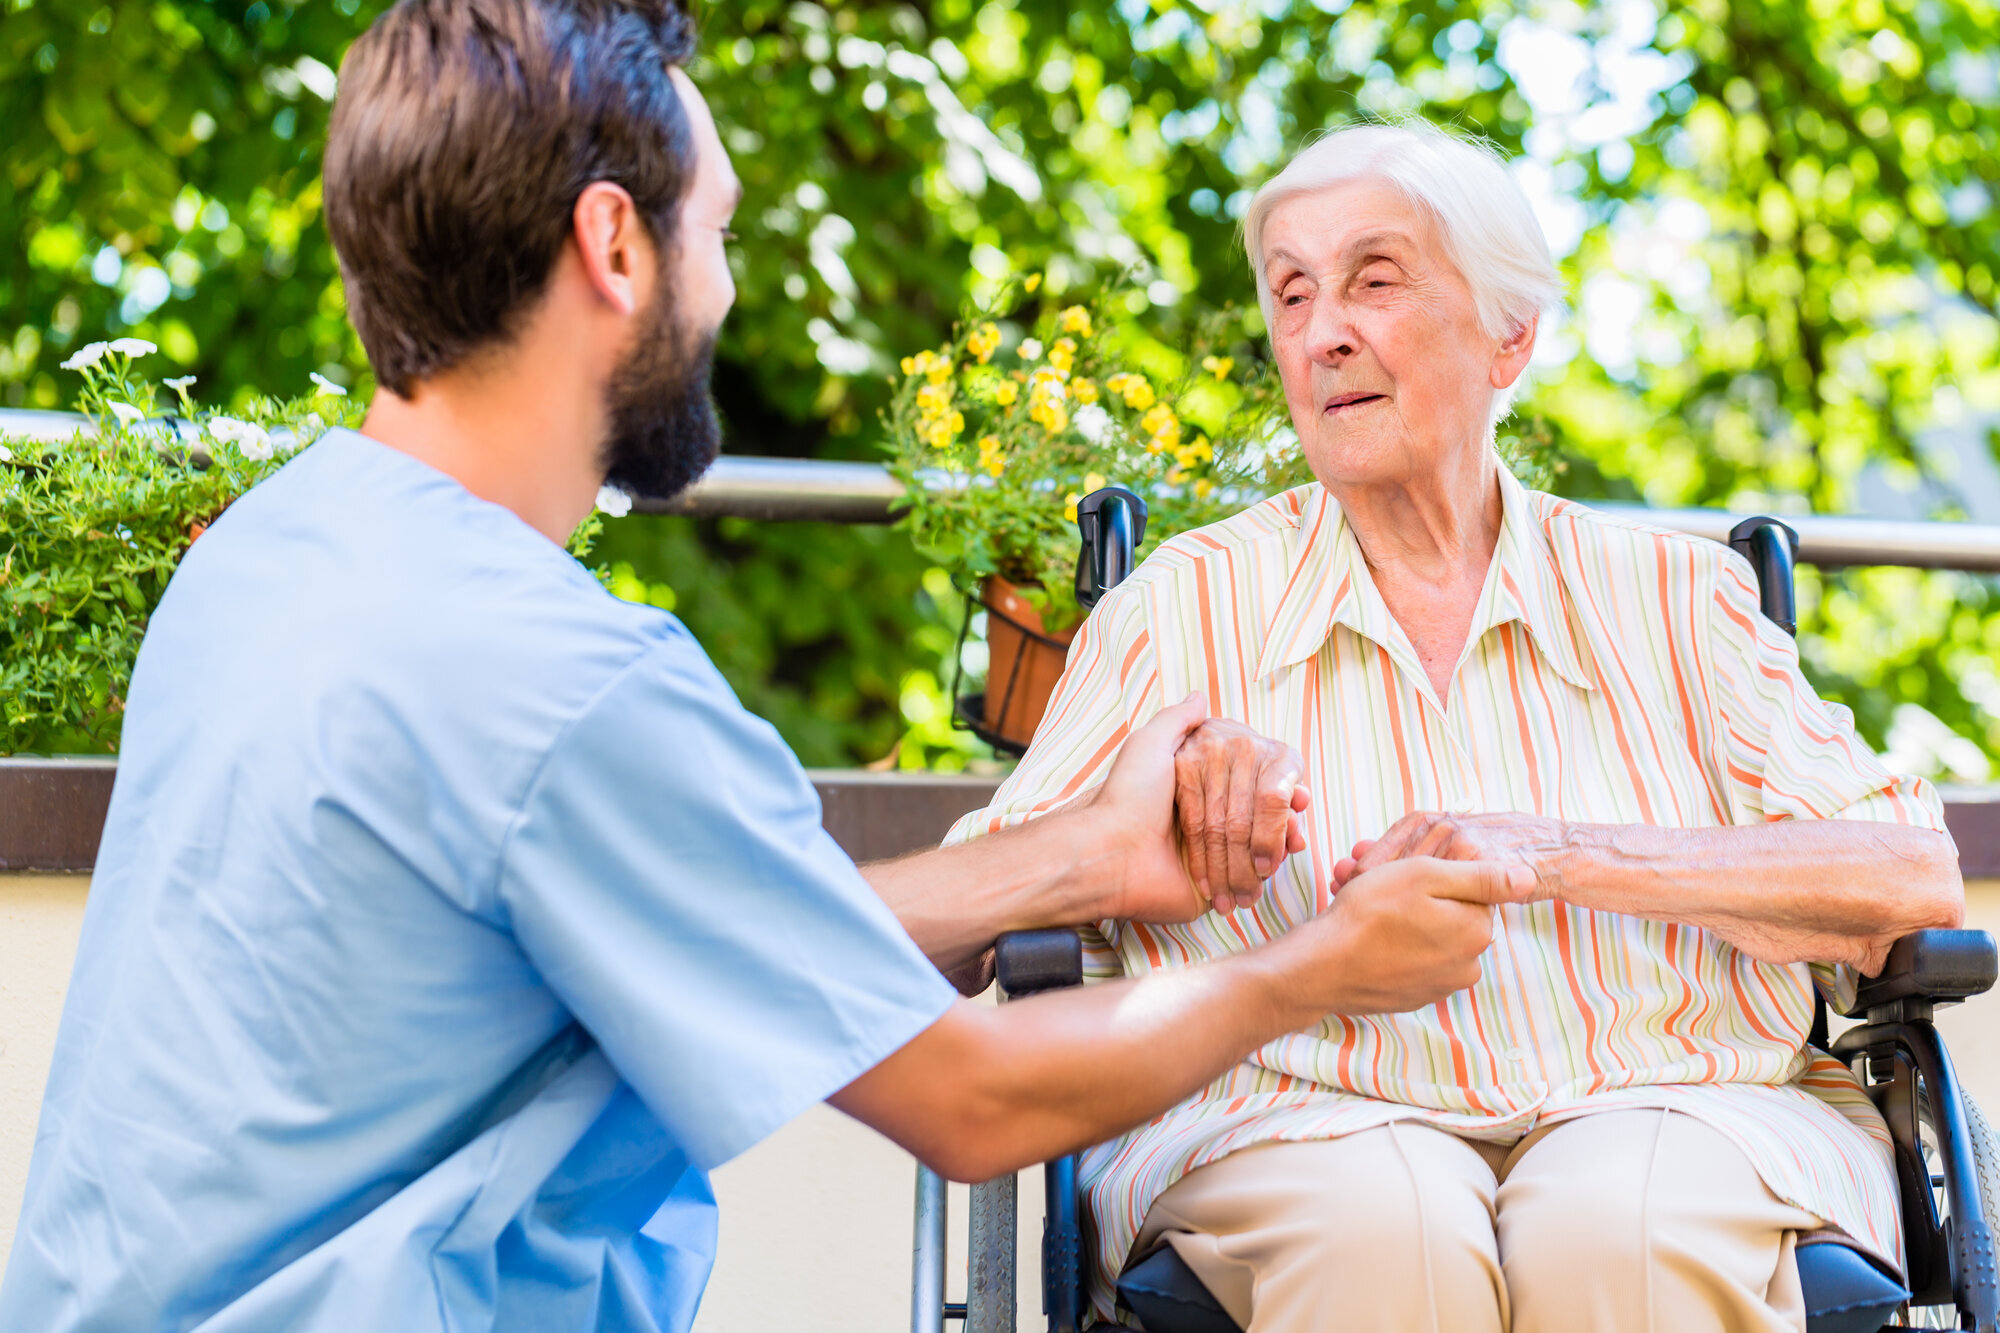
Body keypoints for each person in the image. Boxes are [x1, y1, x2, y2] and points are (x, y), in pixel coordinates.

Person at [0, 8, 1540, 1333]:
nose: (724, 290)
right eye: (717, 233)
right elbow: (972, 1099)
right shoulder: (567, 684)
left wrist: (1067, 857)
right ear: (617, 244)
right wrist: (1312, 973)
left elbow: (704, 929)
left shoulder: (276, 553)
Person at [946, 119, 1966, 1333]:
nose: (1322, 329)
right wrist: (1139, 816)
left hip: (1684, 1104)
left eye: (1373, 281)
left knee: (1613, 1224)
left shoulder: (1671, 597)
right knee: (1386, 1231)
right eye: (1290, 292)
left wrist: (1552, 854)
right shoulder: (1182, 607)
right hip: (1292, 1119)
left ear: (1509, 335)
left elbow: (1907, 875)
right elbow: (966, 924)